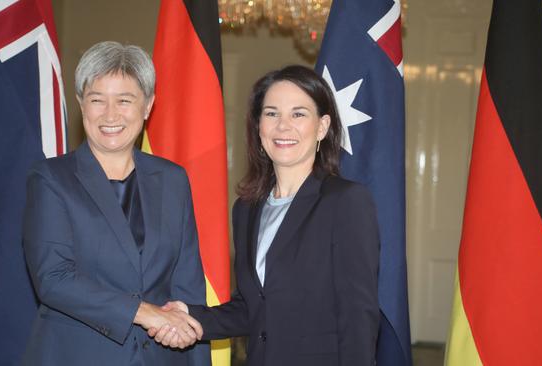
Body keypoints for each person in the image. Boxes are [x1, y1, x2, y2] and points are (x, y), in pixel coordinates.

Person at [150, 65, 380, 365]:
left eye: (298, 114)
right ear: (258, 127)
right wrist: (188, 317)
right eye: (272, 114)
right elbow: (254, 307)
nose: (283, 126)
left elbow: (358, 314)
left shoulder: (346, 201)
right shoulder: (247, 209)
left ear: (322, 127)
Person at [21, 41, 210, 365]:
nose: (110, 115)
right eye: (97, 100)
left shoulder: (173, 179)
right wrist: (144, 313)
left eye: (125, 101)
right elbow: (54, 279)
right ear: (82, 104)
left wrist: (189, 341)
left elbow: (188, 287)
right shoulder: (51, 178)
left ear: (148, 106)